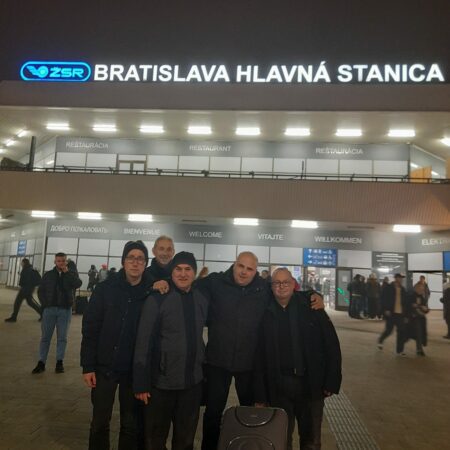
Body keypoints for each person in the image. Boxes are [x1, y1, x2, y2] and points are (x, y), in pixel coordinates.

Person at [198, 252, 324, 450]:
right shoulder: (216, 282)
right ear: (234, 265)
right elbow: (187, 284)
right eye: (241, 266)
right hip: (218, 361)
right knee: (213, 414)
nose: (244, 272)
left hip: (249, 364)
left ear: (255, 271)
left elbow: (287, 292)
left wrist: (313, 295)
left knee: (252, 413)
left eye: (249, 269)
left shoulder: (263, 288)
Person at [254, 268, 342, 450]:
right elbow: (259, 356)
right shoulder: (265, 313)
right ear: (271, 287)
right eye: (277, 283)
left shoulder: (311, 306)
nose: (281, 286)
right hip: (279, 388)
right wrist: (261, 394)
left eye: (285, 282)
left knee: (311, 440)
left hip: (310, 385)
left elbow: (331, 343)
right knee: (280, 439)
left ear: (293, 284)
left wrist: (331, 381)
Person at [81, 241, 154, 450]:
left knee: (130, 425)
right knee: (100, 422)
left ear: (145, 264)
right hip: (105, 367)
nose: (135, 262)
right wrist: (88, 366)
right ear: (123, 261)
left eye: (140, 259)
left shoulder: (151, 291)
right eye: (131, 258)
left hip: (132, 371)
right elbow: (91, 328)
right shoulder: (106, 289)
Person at [134, 252, 209, 450]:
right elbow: (143, 342)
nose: (183, 274)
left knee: (185, 440)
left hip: (191, 384)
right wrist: (141, 383)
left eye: (188, 269)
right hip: (161, 384)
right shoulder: (158, 299)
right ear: (172, 272)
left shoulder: (201, 298)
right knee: (155, 439)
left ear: (194, 272)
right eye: (178, 269)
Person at [32, 252, 82, 374]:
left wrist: (67, 273)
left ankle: (59, 362)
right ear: (55, 262)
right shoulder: (48, 275)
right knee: (45, 337)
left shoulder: (71, 274)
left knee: (62, 338)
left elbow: (78, 284)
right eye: (59, 261)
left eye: (63, 261)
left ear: (66, 262)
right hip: (49, 310)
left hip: (65, 310)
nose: (61, 263)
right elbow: (41, 291)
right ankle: (41, 362)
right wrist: (45, 305)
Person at [377, 273, 408, 355]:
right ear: (396, 278)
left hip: (400, 313)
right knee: (389, 330)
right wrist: (385, 309)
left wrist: (405, 315)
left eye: (402, 278)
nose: (401, 279)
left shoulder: (403, 289)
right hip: (391, 313)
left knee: (401, 331)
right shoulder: (388, 288)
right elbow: (383, 299)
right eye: (400, 278)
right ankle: (381, 339)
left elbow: (405, 303)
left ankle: (400, 350)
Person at [5, 258, 42, 322]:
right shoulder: (29, 269)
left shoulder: (27, 270)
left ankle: (14, 317)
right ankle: (42, 313)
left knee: (17, 302)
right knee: (30, 303)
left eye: (21, 262)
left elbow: (26, 281)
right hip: (28, 289)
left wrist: (25, 289)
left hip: (25, 289)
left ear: (24, 263)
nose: (21, 263)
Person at [407, 284, 429, 356]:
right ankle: (419, 350)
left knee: (420, 334)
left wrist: (426, 309)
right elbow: (407, 306)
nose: (422, 291)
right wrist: (413, 306)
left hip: (421, 318)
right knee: (416, 334)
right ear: (416, 289)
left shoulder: (422, 297)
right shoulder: (411, 296)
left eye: (422, 289)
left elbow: (426, 308)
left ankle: (419, 349)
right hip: (414, 318)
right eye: (420, 289)